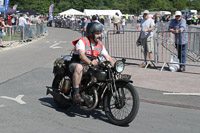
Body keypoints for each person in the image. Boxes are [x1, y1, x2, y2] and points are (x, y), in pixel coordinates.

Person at [70, 22, 115, 103]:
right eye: (97, 33)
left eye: (100, 33)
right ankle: (76, 94)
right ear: (91, 33)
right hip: (77, 63)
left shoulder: (100, 44)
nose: (100, 35)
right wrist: (90, 62)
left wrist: (115, 66)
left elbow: (107, 56)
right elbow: (81, 55)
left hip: (90, 65)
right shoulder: (82, 41)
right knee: (79, 67)